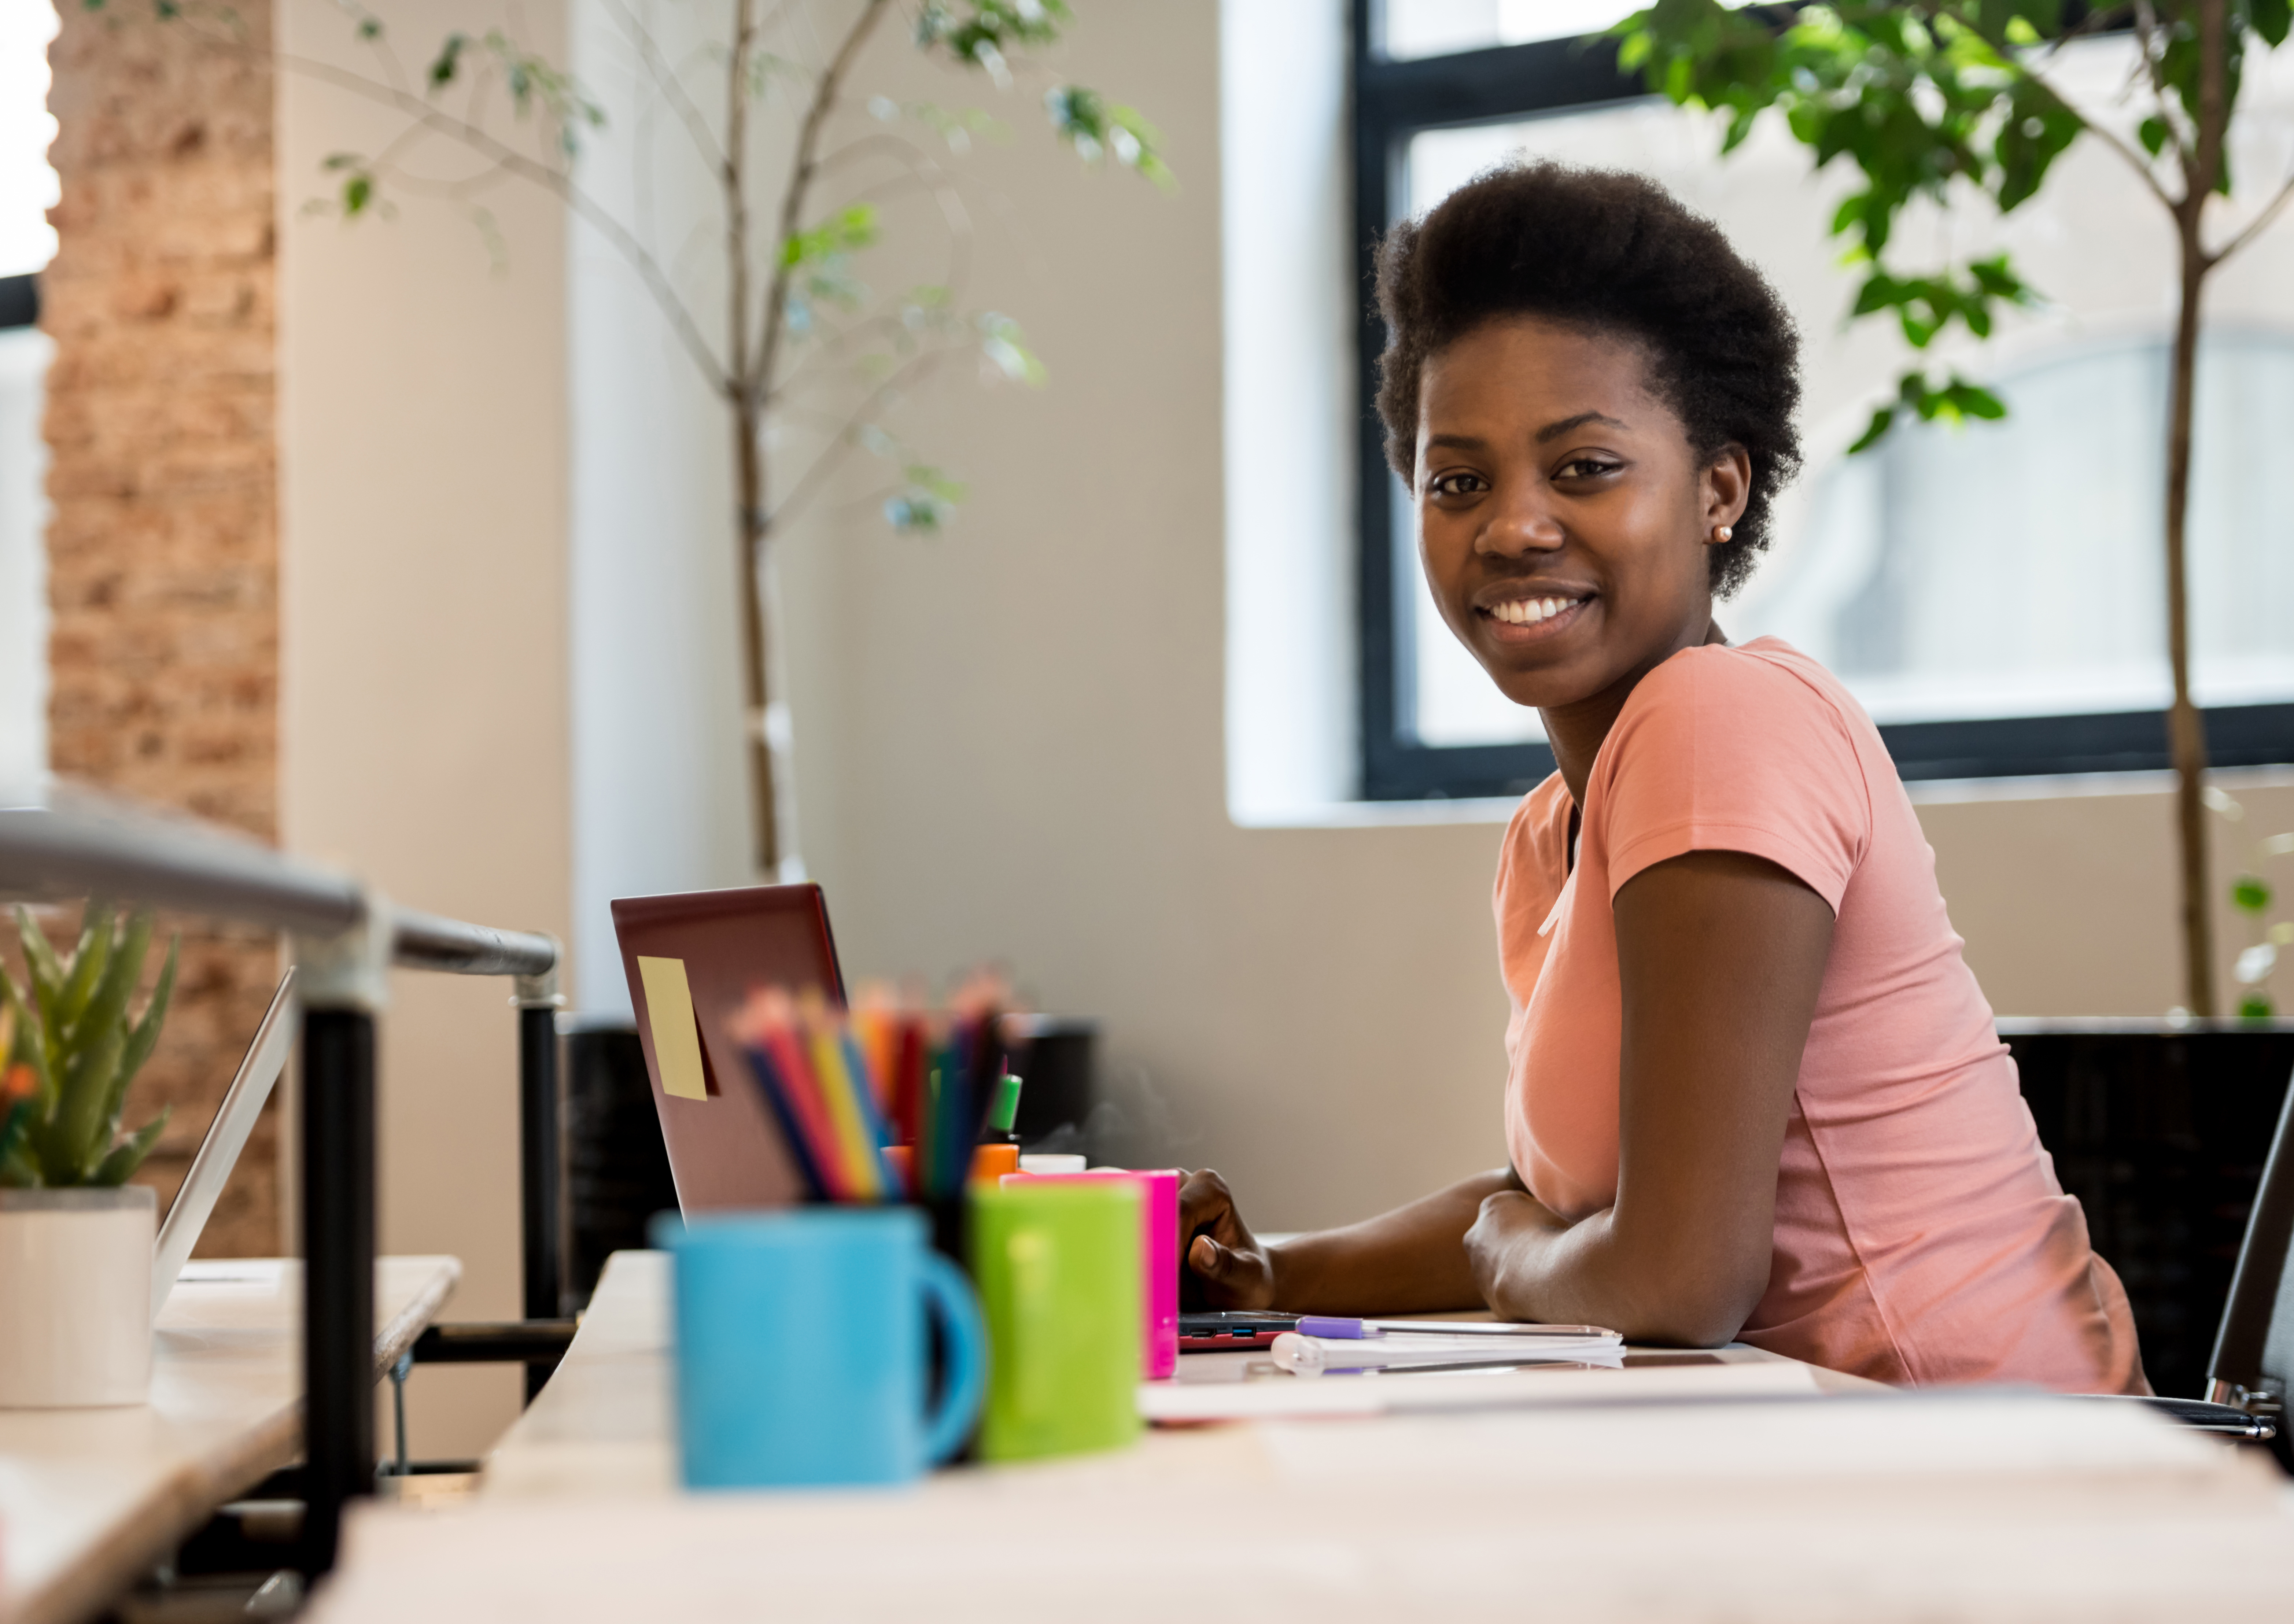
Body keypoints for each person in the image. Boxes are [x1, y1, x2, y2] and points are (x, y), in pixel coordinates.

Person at [1180, 161, 2146, 1391]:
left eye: (1581, 467)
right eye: (1456, 480)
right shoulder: (1557, 830)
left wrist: (1506, 1257)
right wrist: (1271, 1273)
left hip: (1986, 1471)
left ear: (1718, 493)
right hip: (1819, 1443)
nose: (1511, 526)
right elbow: (1549, 1211)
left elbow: (1676, 1281)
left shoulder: (1717, 718)